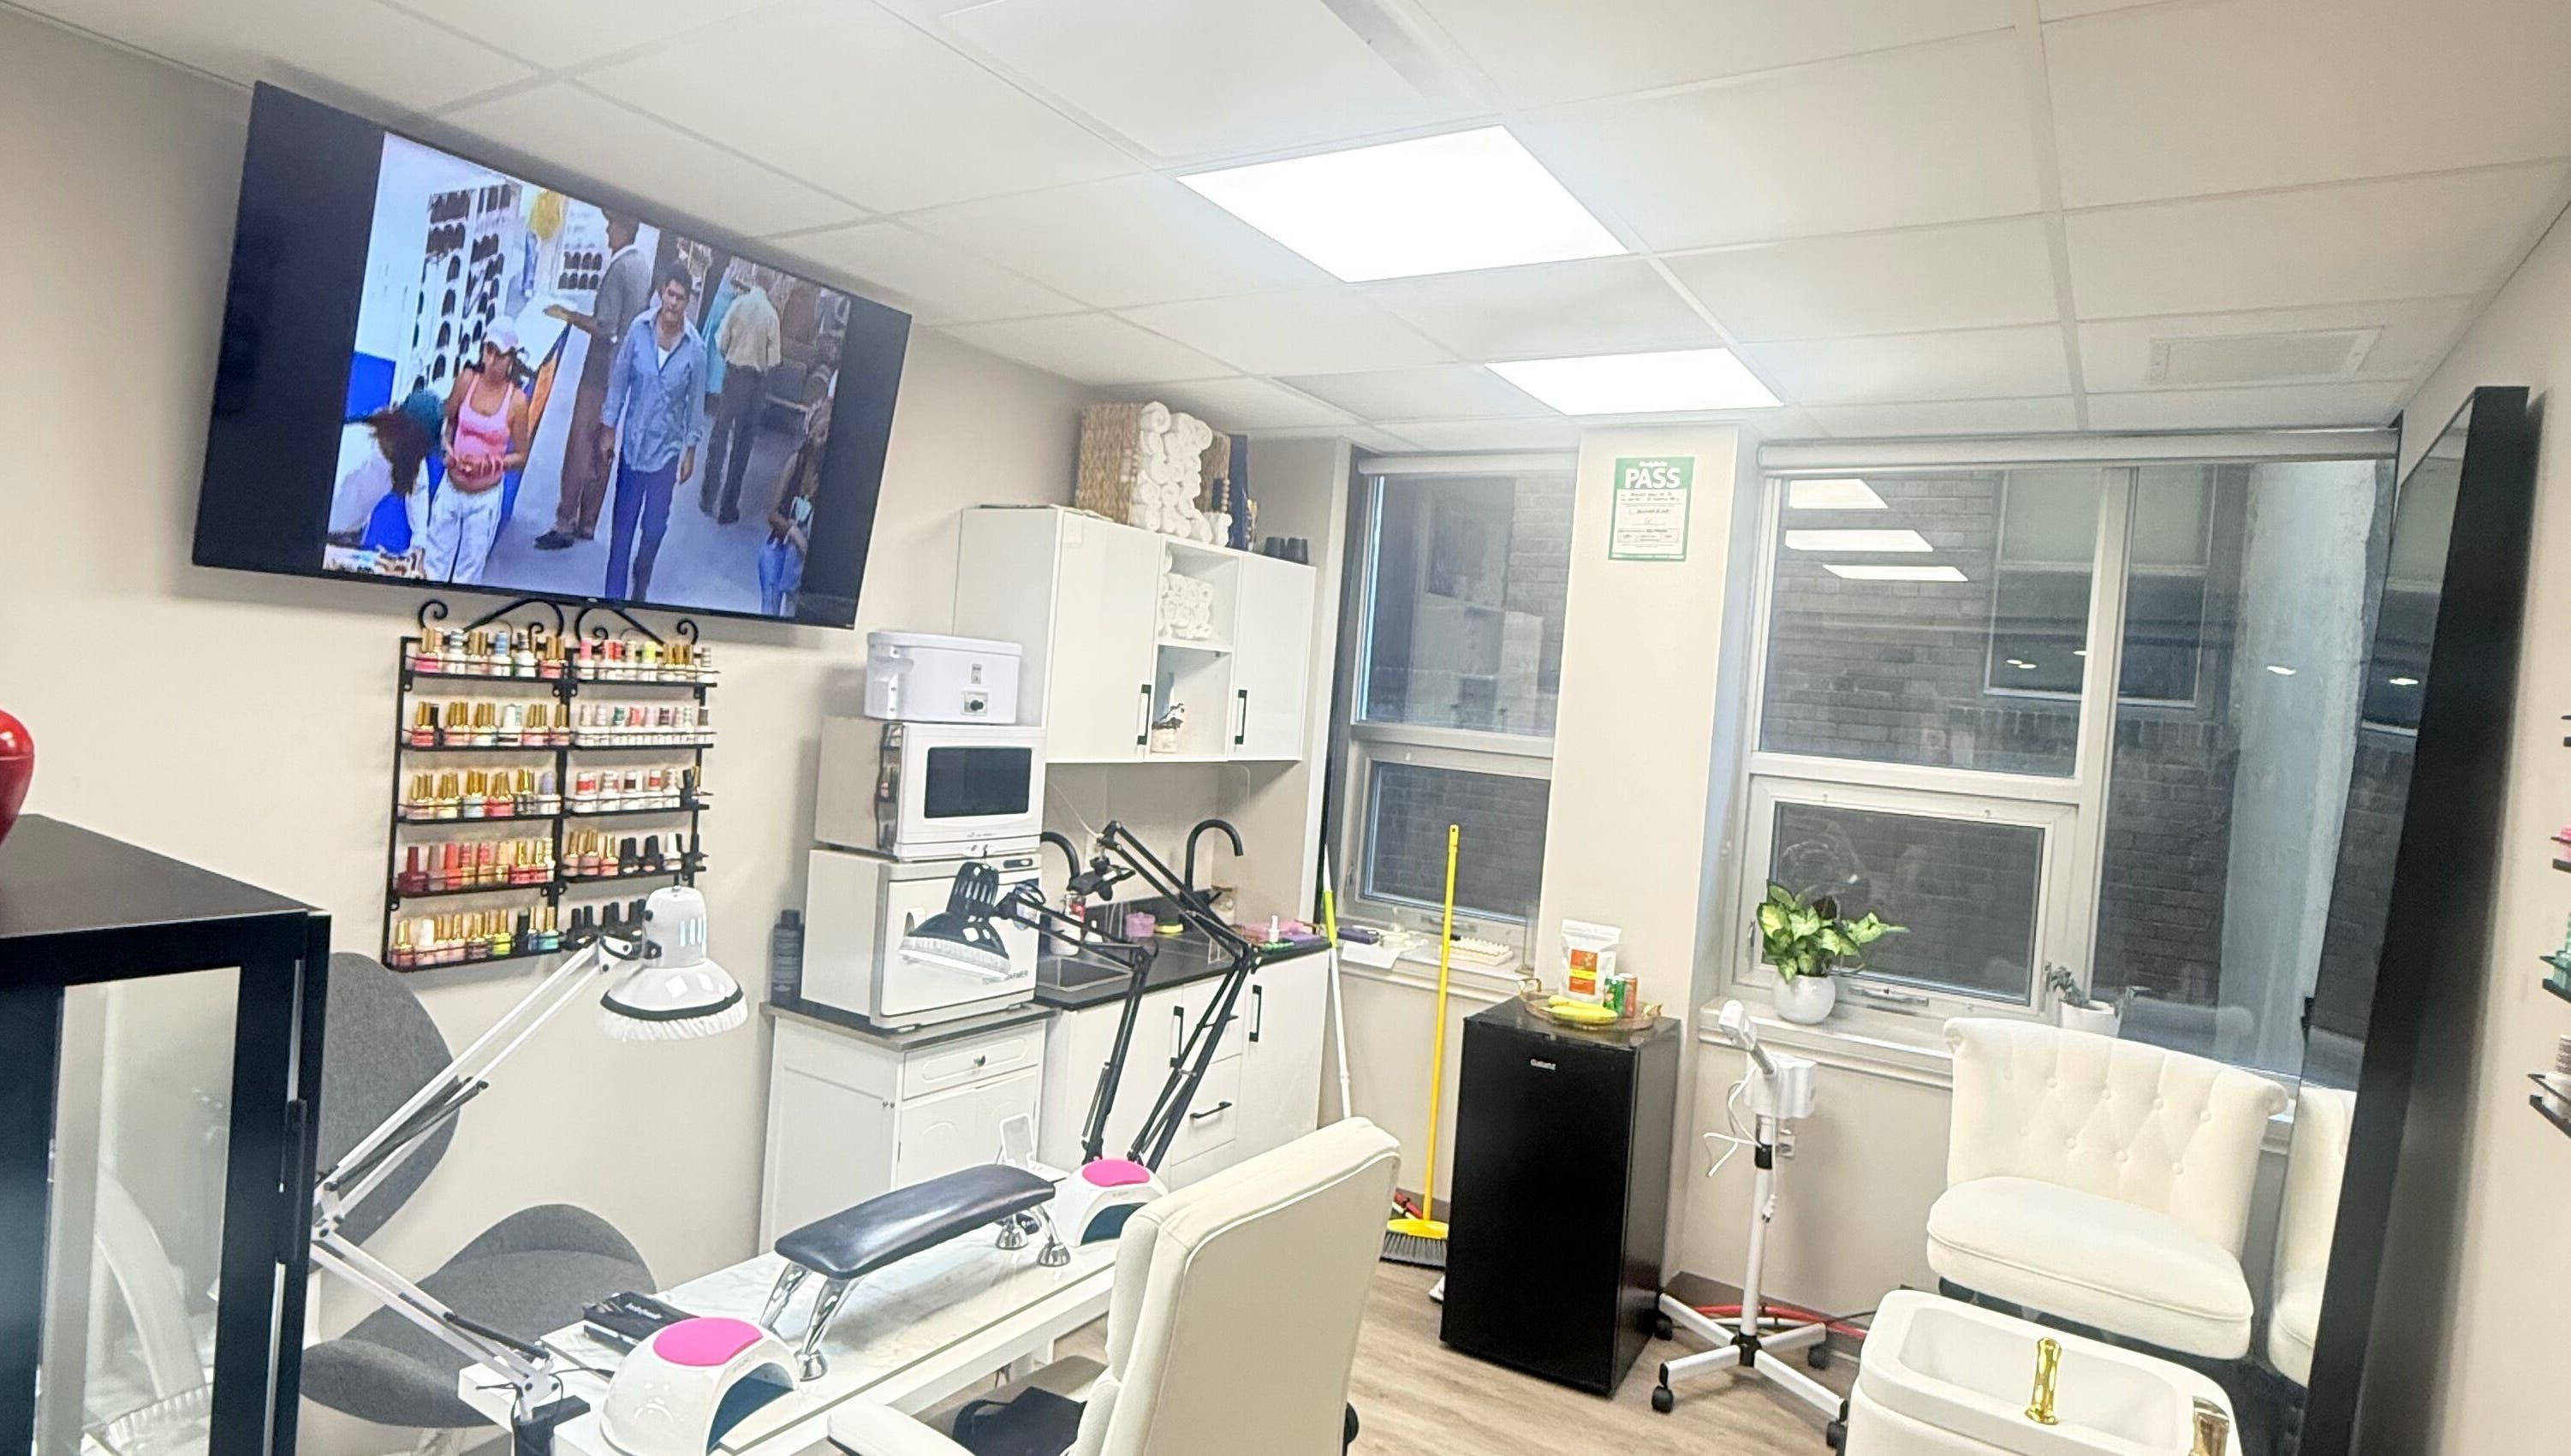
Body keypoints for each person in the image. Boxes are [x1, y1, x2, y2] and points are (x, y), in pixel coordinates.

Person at [534, 212, 647, 550]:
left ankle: (565, 520)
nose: (608, 230)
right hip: (622, 372)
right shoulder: (641, 265)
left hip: (600, 370)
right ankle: (588, 521)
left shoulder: (618, 269)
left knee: (581, 444)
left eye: (612, 225)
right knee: (603, 445)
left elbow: (605, 326)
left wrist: (568, 316)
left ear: (626, 228)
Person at [598, 262, 706, 603]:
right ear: (661, 293)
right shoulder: (639, 329)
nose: (673, 303)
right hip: (632, 447)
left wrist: (690, 450)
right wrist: (609, 427)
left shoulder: (695, 348)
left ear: (687, 302)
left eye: (681, 298)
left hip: (665, 453)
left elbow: (695, 403)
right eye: (670, 294)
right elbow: (619, 381)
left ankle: (641, 578)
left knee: (654, 530)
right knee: (622, 530)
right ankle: (613, 599)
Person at [426, 321, 529, 585]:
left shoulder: (516, 401)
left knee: (468, 574)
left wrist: (493, 464)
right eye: (488, 351)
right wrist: (447, 448)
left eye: (499, 354)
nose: (491, 359)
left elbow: (521, 455)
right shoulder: (467, 380)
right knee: (433, 566)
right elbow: (448, 420)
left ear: (511, 359)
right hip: (452, 487)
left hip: (484, 498)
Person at [704, 264, 781, 524]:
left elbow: (720, 340)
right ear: (769, 286)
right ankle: (727, 508)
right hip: (756, 382)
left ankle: (707, 497)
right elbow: (774, 359)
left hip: (734, 375)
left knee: (719, 435)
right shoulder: (771, 315)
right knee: (742, 445)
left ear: (754, 280)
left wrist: (731, 357)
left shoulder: (739, 305)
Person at [326, 399, 437, 565]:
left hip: (353, 534)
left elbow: (419, 490)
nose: (420, 459)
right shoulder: (356, 443)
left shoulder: (410, 458)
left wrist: (419, 545)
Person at [759, 384, 830, 616]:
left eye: (829, 434)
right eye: (820, 433)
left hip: (802, 573)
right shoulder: (795, 463)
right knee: (769, 610)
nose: (824, 439)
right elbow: (772, 513)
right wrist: (794, 533)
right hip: (779, 553)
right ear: (809, 431)